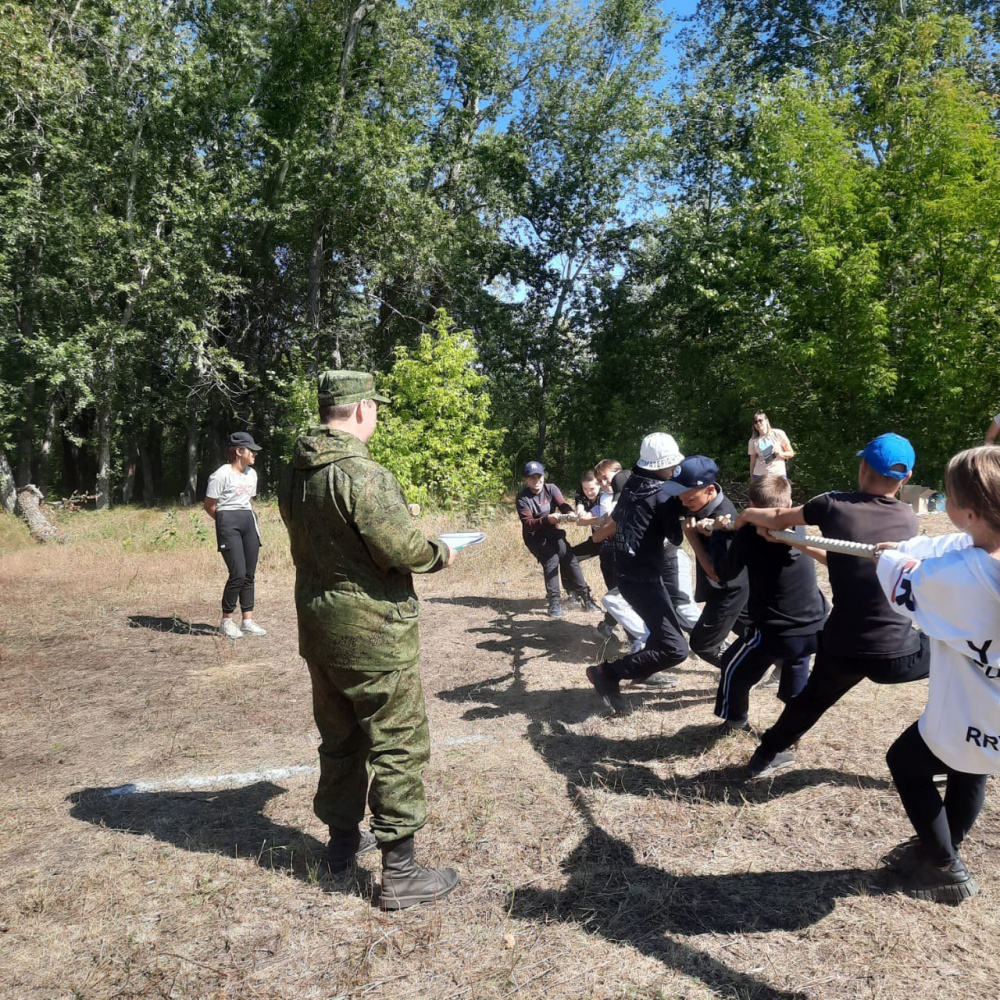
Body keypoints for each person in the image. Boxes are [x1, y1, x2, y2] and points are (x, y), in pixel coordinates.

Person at [279, 370, 459, 909]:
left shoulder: (293, 472)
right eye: (374, 407)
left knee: (339, 739)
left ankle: (338, 850)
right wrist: (440, 550)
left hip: (320, 629)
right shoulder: (364, 475)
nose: (375, 416)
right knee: (398, 744)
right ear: (360, 410)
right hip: (374, 635)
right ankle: (400, 873)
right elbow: (403, 551)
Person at [737, 433, 930, 778]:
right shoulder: (907, 519)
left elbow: (780, 515)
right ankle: (943, 753)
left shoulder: (831, 504)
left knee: (810, 702)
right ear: (907, 479)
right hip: (896, 655)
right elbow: (851, 559)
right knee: (954, 656)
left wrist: (747, 514)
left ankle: (764, 757)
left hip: (843, 645)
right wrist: (804, 544)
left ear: (862, 467)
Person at [874, 446, 1000, 904]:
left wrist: (888, 560)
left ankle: (945, 866)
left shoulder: (962, 576)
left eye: (947, 497)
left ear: (968, 511)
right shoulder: (979, 549)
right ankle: (945, 844)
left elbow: (906, 584)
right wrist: (906, 549)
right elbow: (948, 546)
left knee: (906, 762)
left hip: (972, 702)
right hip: (992, 713)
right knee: (972, 768)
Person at [709, 474, 828, 733]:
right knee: (796, 674)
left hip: (776, 629)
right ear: (789, 503)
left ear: (751, 503)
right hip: (815, 624)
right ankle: (791, 729)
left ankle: (735, 721)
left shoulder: (751, 535)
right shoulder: (798, 527)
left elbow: (724, 573)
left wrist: (719, 535)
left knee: (733, 666)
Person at [585, 433, 690, 713]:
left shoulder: (633, 483)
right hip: (641, 578)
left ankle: (641, 672)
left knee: (660, 638)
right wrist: (686, 513)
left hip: (629, 572)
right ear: (662, 465)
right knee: (676, 648)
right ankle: (606, 674)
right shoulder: (662, 494)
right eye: (671, 466)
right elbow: (676, 538)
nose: (674, 471)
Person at [676, 456, 750, 666]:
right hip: (732, 588)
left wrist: (692, 538)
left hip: (730, 588)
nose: (684, 503)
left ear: (710, 490)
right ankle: (781, 664)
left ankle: (744, 672)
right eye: (681, 498)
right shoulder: (698, 503)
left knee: (703, 643)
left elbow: (718, 574)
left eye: (689, 499)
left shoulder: (724, 519)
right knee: (753, 630)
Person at [204, 431, 266, 640]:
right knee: (237, 573)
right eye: (252, 451)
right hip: (228, 522)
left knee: (249, 573)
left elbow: (248, 500)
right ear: (239, 451)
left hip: (248, 520)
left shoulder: (252, 474)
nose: (255, 455)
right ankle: (226, 622)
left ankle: (247, 621)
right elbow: (210, 505)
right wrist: (225, 524)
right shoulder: (220, 475)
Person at [516, 461, 599, 618]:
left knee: (568, 556)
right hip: (534, 536)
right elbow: (528, 524)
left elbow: (563, 504)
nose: (536, 480)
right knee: (551, 559)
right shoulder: (522, 498)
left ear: (543, 476)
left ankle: (586, 597)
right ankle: (554, 602)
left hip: (553, 531)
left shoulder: (551, 488)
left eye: (539, 476)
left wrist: (570, 514)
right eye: (532, 478)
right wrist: (548, 520)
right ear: (526, 480)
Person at [748, 412, 794, 481]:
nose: (758, 423)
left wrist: (780, 454)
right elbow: (752, 463)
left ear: (766, 421)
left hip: (777, 474)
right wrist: (752, 480)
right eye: (755, 422)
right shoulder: (753, 441)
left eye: (760, 420)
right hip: (759, 476)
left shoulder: (778, 434)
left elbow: (791, 453)